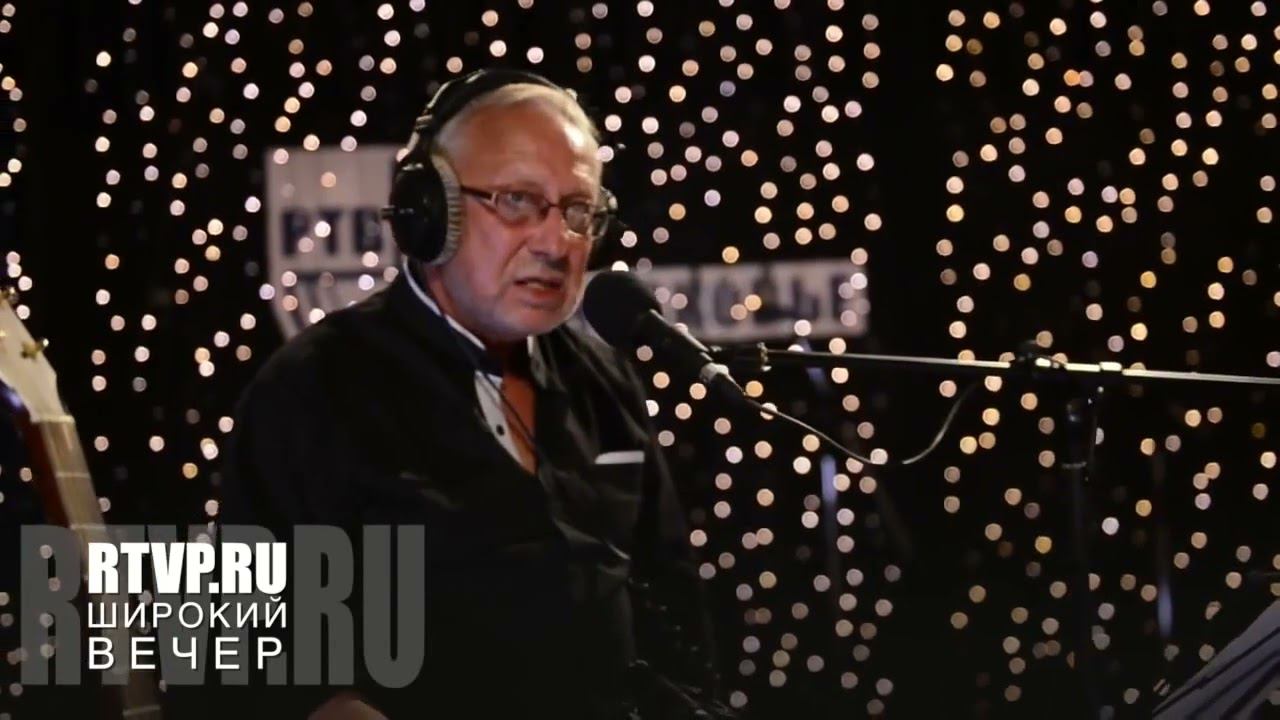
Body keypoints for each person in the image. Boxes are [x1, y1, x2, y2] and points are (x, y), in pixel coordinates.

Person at [217, 69, 725, 719]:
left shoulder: (604, 382)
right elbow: (253, 663)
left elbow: (679, 623)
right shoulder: (314, 387)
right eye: (517, 201)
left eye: (579, 211)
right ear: (429, 211)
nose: (557, 242)